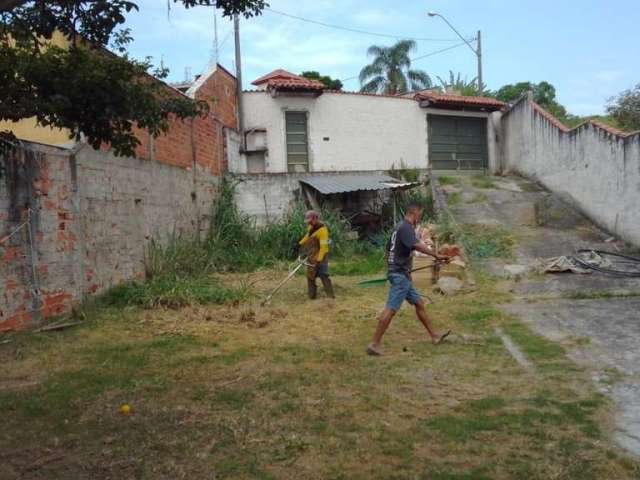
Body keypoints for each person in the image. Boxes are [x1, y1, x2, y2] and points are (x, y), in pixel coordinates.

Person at [367, 203, 451, 356]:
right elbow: (416, 245)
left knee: (419, 303)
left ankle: (434, 335)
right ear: (414, 212)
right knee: (391, 309)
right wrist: (436, 255)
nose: (420, 217)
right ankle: (374, 344)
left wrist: (393, 268)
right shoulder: (406, 227)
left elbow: (389, 250)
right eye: (420, 214)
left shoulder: (398, 227)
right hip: (399, 276)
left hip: (400, 273)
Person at [298, 210, 335, 299]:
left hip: (321, 255)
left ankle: (331, 297)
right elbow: (308, 236)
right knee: (310, 276)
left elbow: (323, 246)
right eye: (308, 221)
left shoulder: (323, 230)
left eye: (310, 220)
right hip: (312, 254)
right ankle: (312, 296)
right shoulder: (311, 227)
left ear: (315, 218)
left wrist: (319, 260)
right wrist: (299, 244)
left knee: (323, 275)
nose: (309, 223)